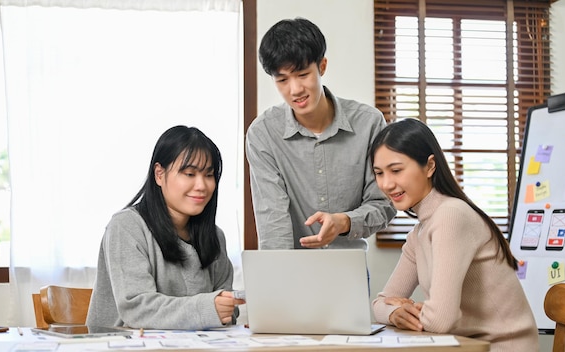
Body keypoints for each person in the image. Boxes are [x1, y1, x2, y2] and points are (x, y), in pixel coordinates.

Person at [370, 118, 538, 351]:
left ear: (429, 166)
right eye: (379, 173)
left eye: (396, 170)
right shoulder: (420, 232)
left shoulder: (451, 216)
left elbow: (439, 320)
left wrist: (411, 312)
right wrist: (395, 313)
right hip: (464, 345)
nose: (387, 184)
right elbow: (379, 303)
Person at [246, 17, 396, 250]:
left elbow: (383, 203)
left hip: (348, 269)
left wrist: (345, 222)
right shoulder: (263, 133)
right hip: (292, 269)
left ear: (322, 66)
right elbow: (272, 221)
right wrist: (277, 281)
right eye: (282, 80)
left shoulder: (369, 123)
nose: (295, 90)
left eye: (303, 74)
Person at [86, 125, 245, 330]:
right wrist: (209, 308)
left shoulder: (215, 236)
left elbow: (225, 314)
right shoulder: (126, 226)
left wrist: (226, 308)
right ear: (159, 174)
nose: (201, 185)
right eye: (189, 174)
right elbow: (137, 309)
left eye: (209, 175)